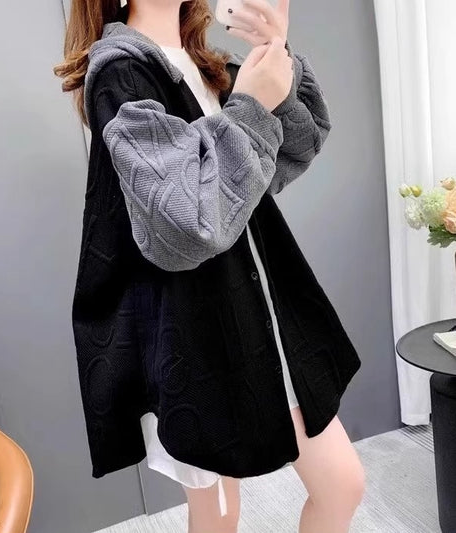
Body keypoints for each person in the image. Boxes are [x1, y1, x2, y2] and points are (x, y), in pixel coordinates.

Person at [54, 0, 365, 532]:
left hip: (261, 311)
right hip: (196, 330)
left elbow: (296, 147)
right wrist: (251, 106)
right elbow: (189, 219)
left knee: (341, 485)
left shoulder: (205, 65)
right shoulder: (122, 74)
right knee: (219, 513)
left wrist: (274, 53)